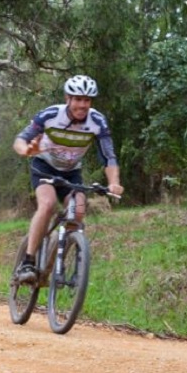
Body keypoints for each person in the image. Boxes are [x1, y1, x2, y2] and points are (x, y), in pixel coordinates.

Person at [12, 75, 124, 283]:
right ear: (68, 98)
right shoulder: (50, 115)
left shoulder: (97, 121)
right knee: (47, 205)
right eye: (78, 99)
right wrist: (26, 150)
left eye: (87, 100)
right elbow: (21, 139)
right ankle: (27, 261)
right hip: (44, 167)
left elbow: (109, 156)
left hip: (71, 171)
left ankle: (54, 258)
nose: (82, 105)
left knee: (78, 212)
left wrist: (114, 182)